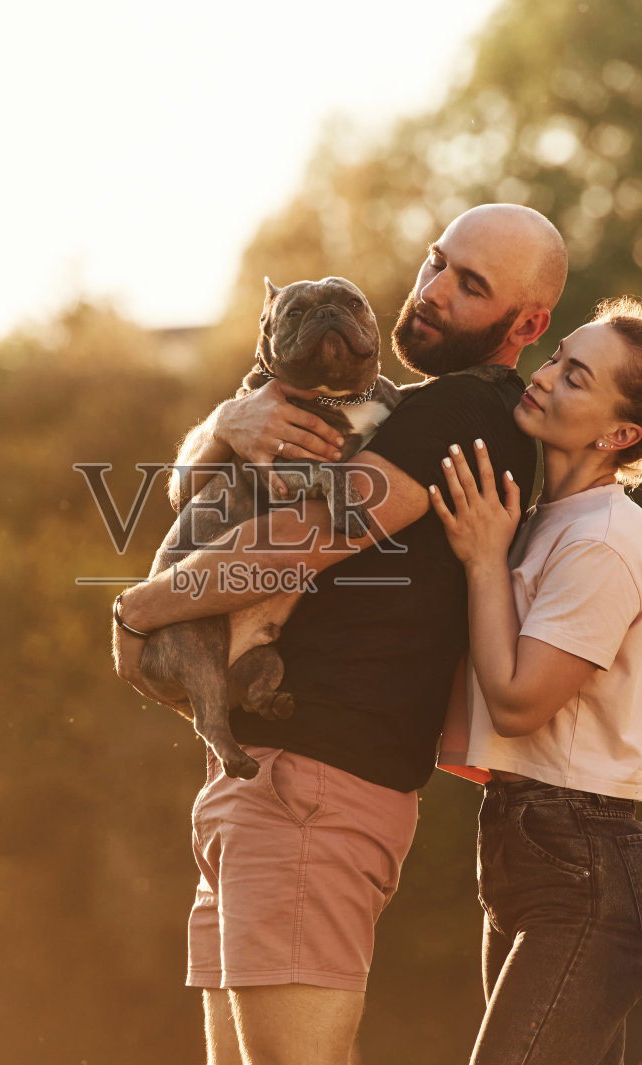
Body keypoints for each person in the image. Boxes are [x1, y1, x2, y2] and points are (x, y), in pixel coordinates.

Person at [110, 204, 566, 1065]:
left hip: (312, 788)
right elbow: (203, 486)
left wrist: (140, 609)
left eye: (472, 286)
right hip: (266, 785)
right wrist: (223, 426)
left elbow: (299, 539)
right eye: (437, 262)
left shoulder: (466, 407)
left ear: (527, 325)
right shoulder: (402, 411)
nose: (435, 290)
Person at [428, 297, 642, 1065]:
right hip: (526, 854)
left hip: (589, 874)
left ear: (618, 435)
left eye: (575, 377)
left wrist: (483, 560)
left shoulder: (606, 538)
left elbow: (518, 701)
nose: (544, 377)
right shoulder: (546, 521)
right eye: (557, 358)